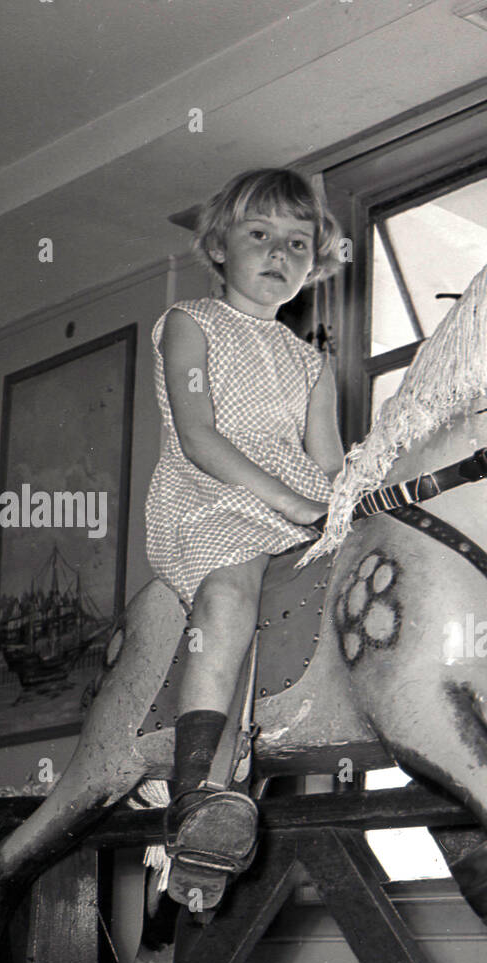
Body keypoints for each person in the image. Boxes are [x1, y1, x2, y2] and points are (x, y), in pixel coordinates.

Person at [147, 167, 345, 898]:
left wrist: (345, 503)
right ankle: (193, 788)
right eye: (259, 235)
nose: (280, 253)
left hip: (295, 504)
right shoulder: (190, 324)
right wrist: (292, 504)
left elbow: (328, 461)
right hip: (210, 498)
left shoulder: (311, 361)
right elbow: (199, 436)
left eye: (299, 242)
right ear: (220, 247)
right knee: (231, 589)